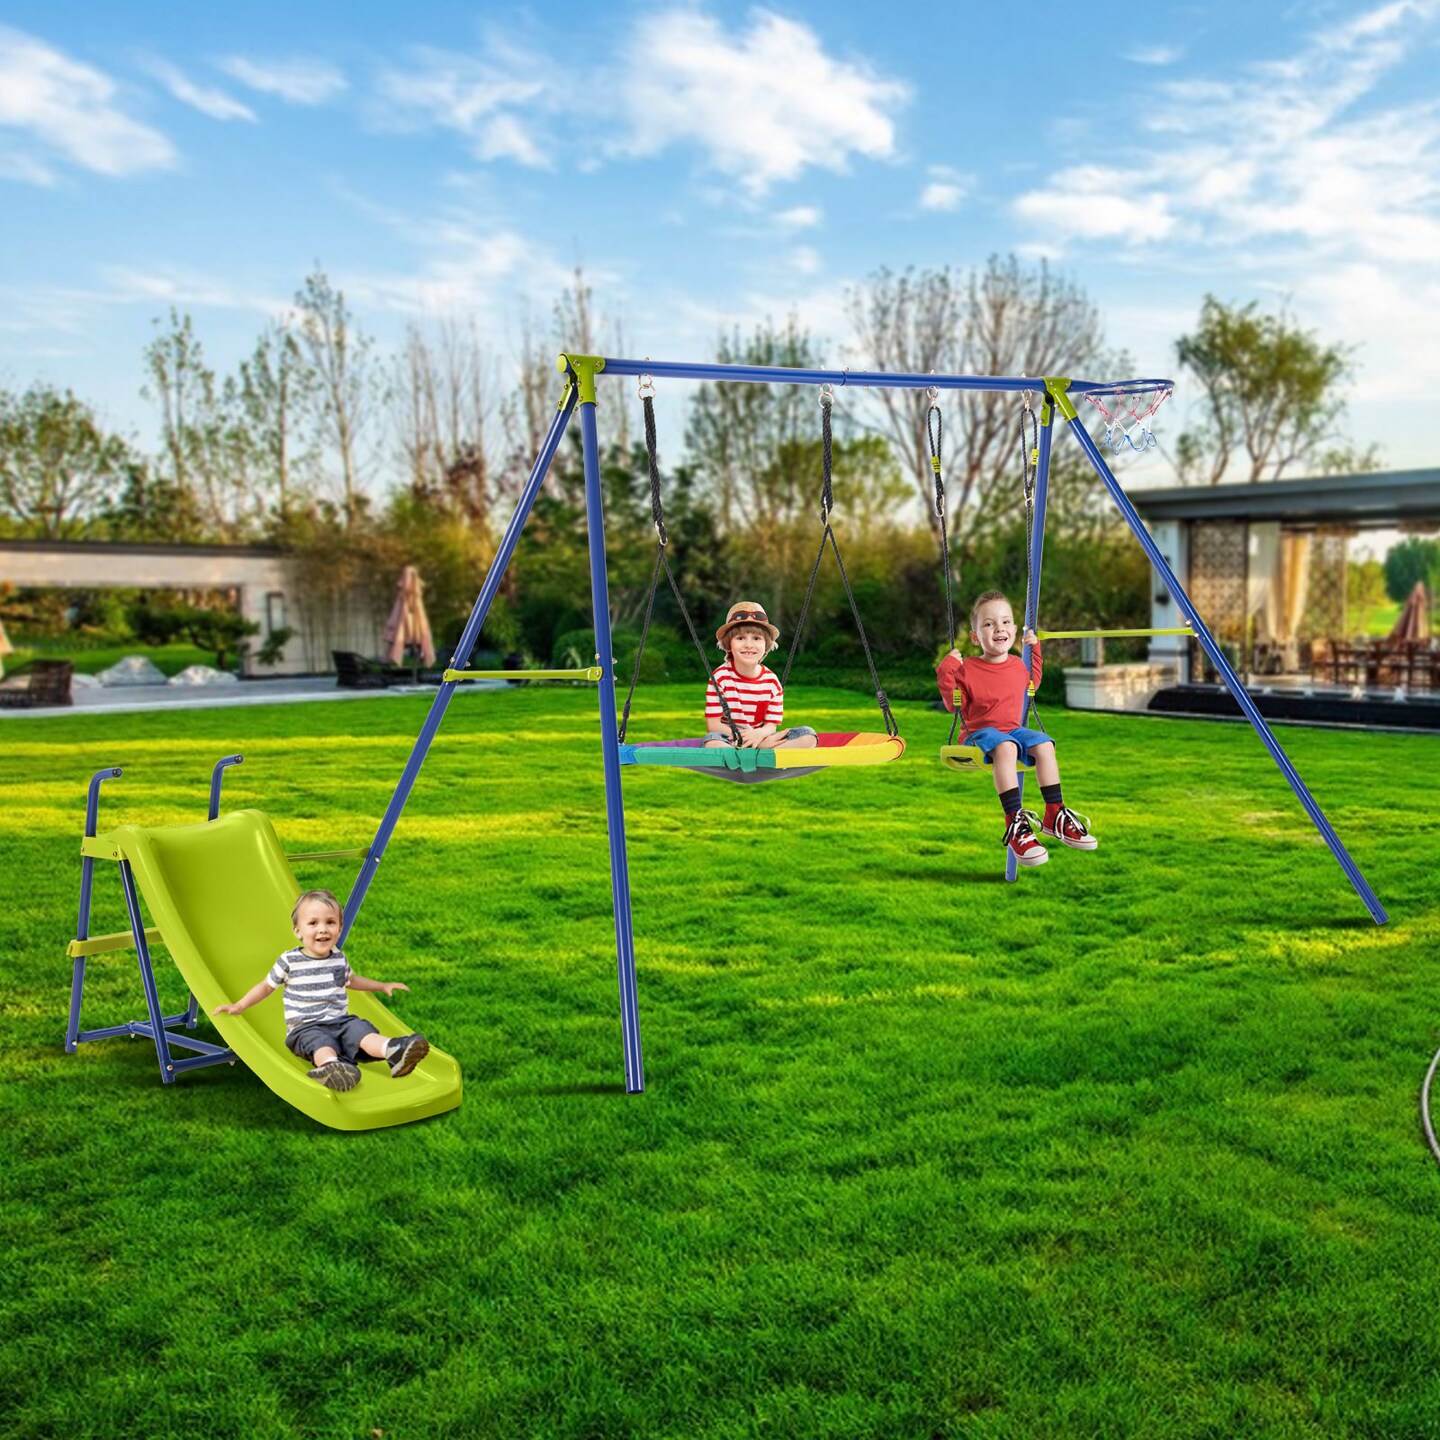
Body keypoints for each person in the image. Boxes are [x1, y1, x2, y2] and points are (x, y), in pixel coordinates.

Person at [935, 589, 1098, 867]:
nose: (1000, 628)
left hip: (1012, 730)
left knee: (1045, 744)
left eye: (1006, 621)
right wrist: (947, 668)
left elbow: (1033, 678)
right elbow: (953, 703)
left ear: (1013, 629)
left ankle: (1054, 814)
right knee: (1008, 747)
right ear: (976, 637)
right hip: (979, 735)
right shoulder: (969, 669)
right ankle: (1015, 824)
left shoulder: (1017, 666)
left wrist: (1034, 648)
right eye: (989, 624)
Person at [213, 888, 430, 1092]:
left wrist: (382, 986)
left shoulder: (338, 958)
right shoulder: (290, 960)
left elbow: (352, 981)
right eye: (313, 923)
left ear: (340, 928)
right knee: (321, 1043)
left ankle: (393, 1050)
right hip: (305, 1028)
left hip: (340, 1022)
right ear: (298, 931)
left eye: (330, 922)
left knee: (360, 1030)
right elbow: (266, 986)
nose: (323, 929)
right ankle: (331, 1067)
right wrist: (240, 1005)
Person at [703, 601, 818, 750]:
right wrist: (745, 738)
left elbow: (771, 725)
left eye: (756, 638)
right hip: (729, 737)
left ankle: (753, 752)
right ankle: (760, 752)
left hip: (761, 736)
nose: (748, 645)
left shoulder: (772, 682)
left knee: (808, 736)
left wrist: (759, 735)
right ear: (728, 644)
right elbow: (713, 725)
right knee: (712, 742)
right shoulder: (720, 677)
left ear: (766, 645)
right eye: (740, 638)